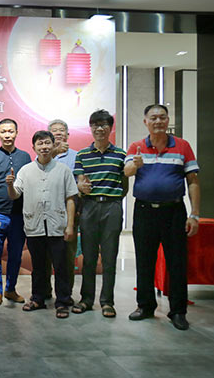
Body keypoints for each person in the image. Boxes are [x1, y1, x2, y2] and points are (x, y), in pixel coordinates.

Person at [124, 104, 200, 331]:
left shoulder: (182, 146)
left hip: (174, 212)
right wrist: (135, 165)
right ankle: (145, 306)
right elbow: (126, 172)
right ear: (145, 122)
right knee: (144, 260)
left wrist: (194, 214)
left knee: (177, 263)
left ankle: (178, 311)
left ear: (168, 121)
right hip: (144, 211)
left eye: (162, 117)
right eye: (153, 118)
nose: (158, 121)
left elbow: (193, 182)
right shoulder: (136, 147)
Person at [9, 130, 78, 318]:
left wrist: (70, 225)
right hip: (35, 225)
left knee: (61, 266)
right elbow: (15, 194)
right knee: (38, 266)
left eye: (47, 143)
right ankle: (38, 298)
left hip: (57, 226)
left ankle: (62, 301)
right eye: (40, 144)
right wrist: (9, 185)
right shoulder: (26, 170)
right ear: (34, 147)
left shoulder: (63, 170)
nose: (44, 147)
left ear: (53, 145)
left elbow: (71, 198)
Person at [70, 110, 127, 317]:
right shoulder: (82, 155)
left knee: (110, 256)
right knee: (89, 256)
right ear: (91, 128)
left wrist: (113, 198)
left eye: (103, 125)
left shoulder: (121, 155)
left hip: (112, 207)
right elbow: (80, 182)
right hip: (89, 207)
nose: (99, 129)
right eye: (95, 125)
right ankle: (86, 299)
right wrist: (81, 187)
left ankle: (107, 302)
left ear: (110, 128)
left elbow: (125, 185)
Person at [0, 118, 31, 306]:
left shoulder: (25, 157)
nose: (7, 135)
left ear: (16, 133)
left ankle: (10, 289)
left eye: (10, 131)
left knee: (16, 254)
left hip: (19, 213)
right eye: (3, 132)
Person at [47, 119, 78, 297]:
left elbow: (78, 187)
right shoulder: (42, 155)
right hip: (45, 214)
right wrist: (53, 153)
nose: (58, 133)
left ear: (67, 134)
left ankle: (65, 295)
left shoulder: (77, 156)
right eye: (54, 130)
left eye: (61, 130)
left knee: (67, 258)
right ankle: (44, 292)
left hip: (68, 214)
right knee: (44, 258)